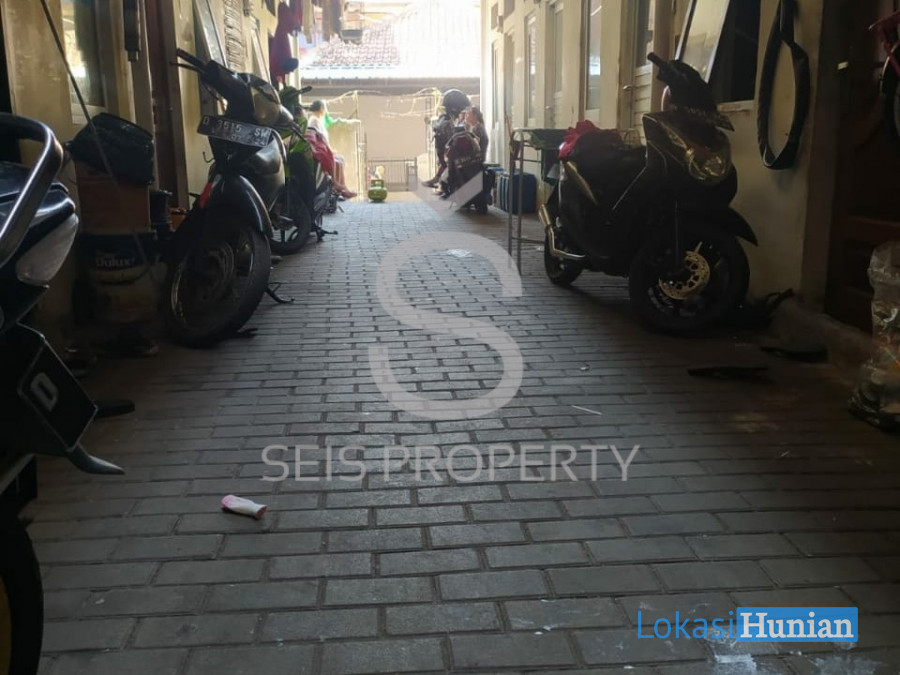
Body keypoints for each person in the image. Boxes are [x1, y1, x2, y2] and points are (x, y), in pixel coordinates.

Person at [308, 100, 356, 199]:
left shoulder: (315, 120)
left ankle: (342, 187)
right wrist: (330, 149)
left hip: (322, 149)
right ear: (321, 109)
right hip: (320, 151)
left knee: (340, 159)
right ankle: (337, 185)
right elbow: (321, 138)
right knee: (337, 160)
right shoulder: (315, 121)